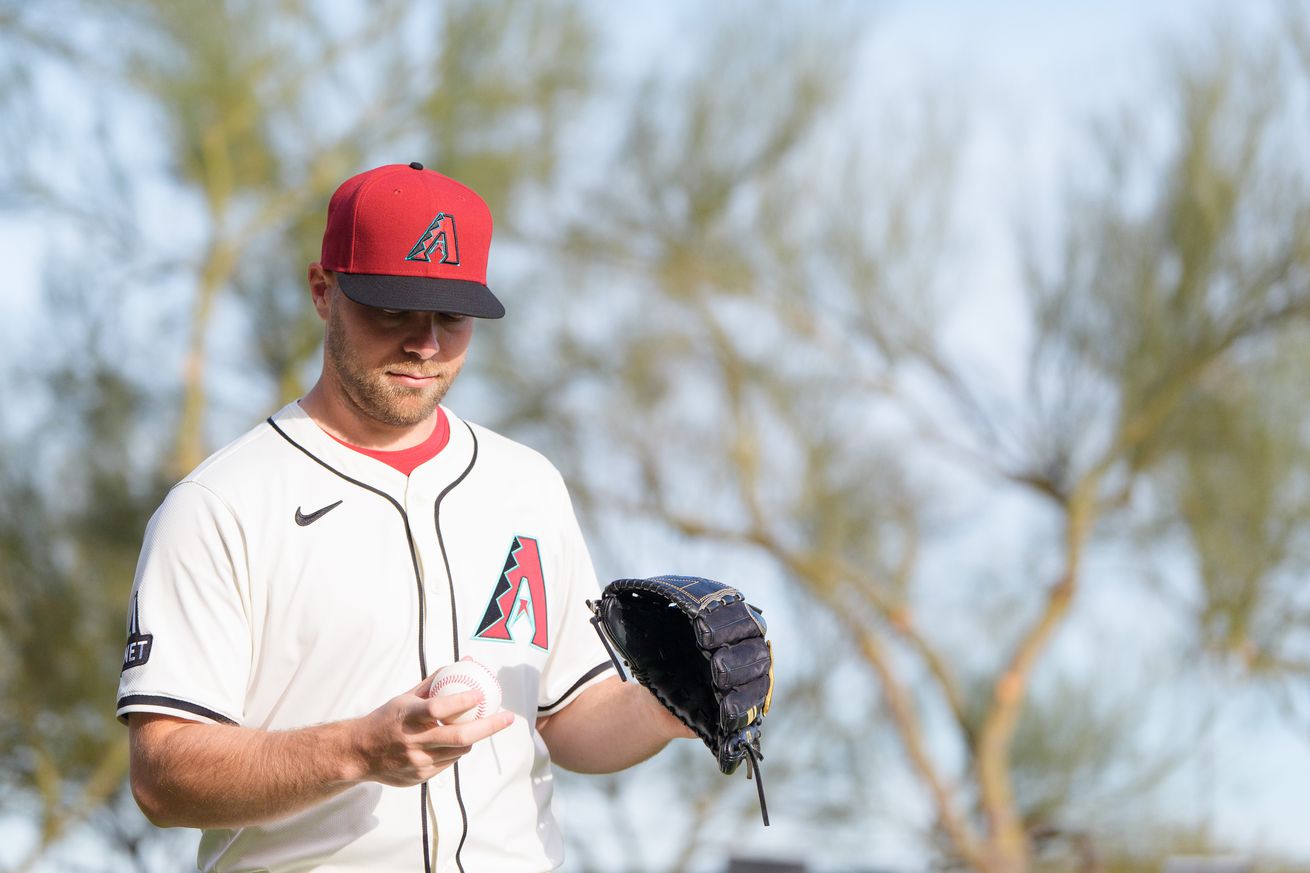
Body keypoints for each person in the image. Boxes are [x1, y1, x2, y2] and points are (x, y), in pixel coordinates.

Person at [117, 162, 694, 873]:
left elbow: (567, 719)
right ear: (323, 291)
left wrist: (667, 706)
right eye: (393, 307)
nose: (425, 342)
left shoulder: (528, 485)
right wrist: (357, 749)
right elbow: (162, 776)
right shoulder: (222, 505)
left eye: (451, 316)